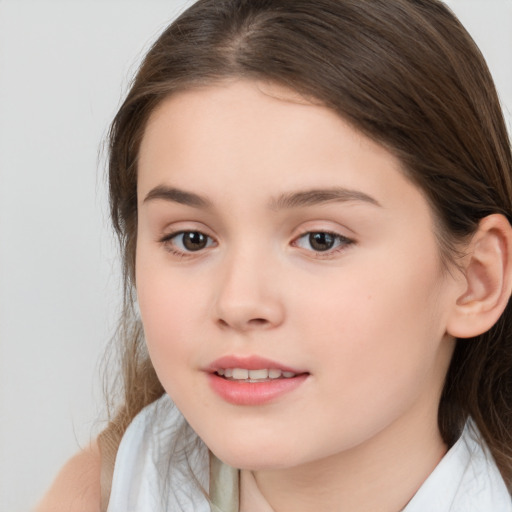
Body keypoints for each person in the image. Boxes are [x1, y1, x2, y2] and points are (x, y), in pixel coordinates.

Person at [37, 0, 512, 510]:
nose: (239, 302)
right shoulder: (105, 489)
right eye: (191, 238)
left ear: (475, 280)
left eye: (320, 239)